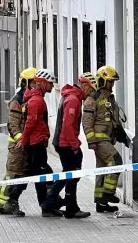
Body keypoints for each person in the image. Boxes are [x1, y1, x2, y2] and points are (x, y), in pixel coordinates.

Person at [40, 72, 97, 219]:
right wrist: (75, 146)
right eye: (90, 90)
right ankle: (59, 205)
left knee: (69, 174)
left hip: (63, 142)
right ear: (84, 86)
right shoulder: (73, 100)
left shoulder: (72, 97)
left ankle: (61, 204)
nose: (89, 95)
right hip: (66, 143)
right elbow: (67, 126)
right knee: (71, 174)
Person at [6, 68, 61, 217]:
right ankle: (14, 200)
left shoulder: (36, 98)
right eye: (50, 83)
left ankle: (46, 206)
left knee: (39, 175)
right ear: (42, 83)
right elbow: (30, 123)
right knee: (34, 174)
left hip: (35, 143)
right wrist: (23, 139)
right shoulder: (36, 101)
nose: (52, 86)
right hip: (34, 144)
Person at [82, 65, 132, 213]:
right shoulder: (93, 99)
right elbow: (87, 122)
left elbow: (115, 122)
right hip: (99, 140)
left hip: (108, 139)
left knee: (102, 169)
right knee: (116, 161)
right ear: (102, 81)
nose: (112, 85)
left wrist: (124, 138)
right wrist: (91, 141)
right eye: (109, 81)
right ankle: (108, 193)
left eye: (113, 82)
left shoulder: (110, 99)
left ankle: (100, 202)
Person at [0, 67, 37, 215]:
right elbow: (13, 124)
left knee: (20, 174)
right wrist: (22, 140)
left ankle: (7, 203)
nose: (35, 85)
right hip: (17, 145)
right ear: (26, 83)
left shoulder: (29, 98)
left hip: (24, 144)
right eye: (33, 82)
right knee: (13, 174)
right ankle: (5, 203)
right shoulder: (18, 100)